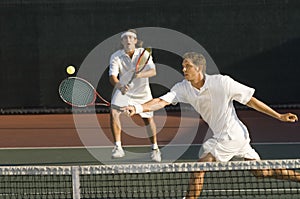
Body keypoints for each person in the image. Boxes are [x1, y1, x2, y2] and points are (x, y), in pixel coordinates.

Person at [123, 52, 299, 198]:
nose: (183, 69)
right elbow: (161, 101)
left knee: (200, 167)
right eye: (182, 66)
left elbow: (250, 101)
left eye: (188, 66)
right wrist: (137, 107)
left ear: (199, 68)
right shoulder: (183, 87)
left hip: (232, 135)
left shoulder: (222, 82)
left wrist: (279, 116)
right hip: (231, 135)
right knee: (262, 172)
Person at [109, 29, 161, 162]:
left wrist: (140, 75)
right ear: (122, 41)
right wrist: (120, 86)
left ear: (135, 41)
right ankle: (118, 147)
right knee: (114, 111)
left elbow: (153, 71)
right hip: (124, 91)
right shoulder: (116, 56)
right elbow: (112, 77)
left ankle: (155, 149)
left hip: (143, 92)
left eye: (131, 37)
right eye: (125, 37)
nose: (128, 40)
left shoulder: (144, 54)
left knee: (147, 120)